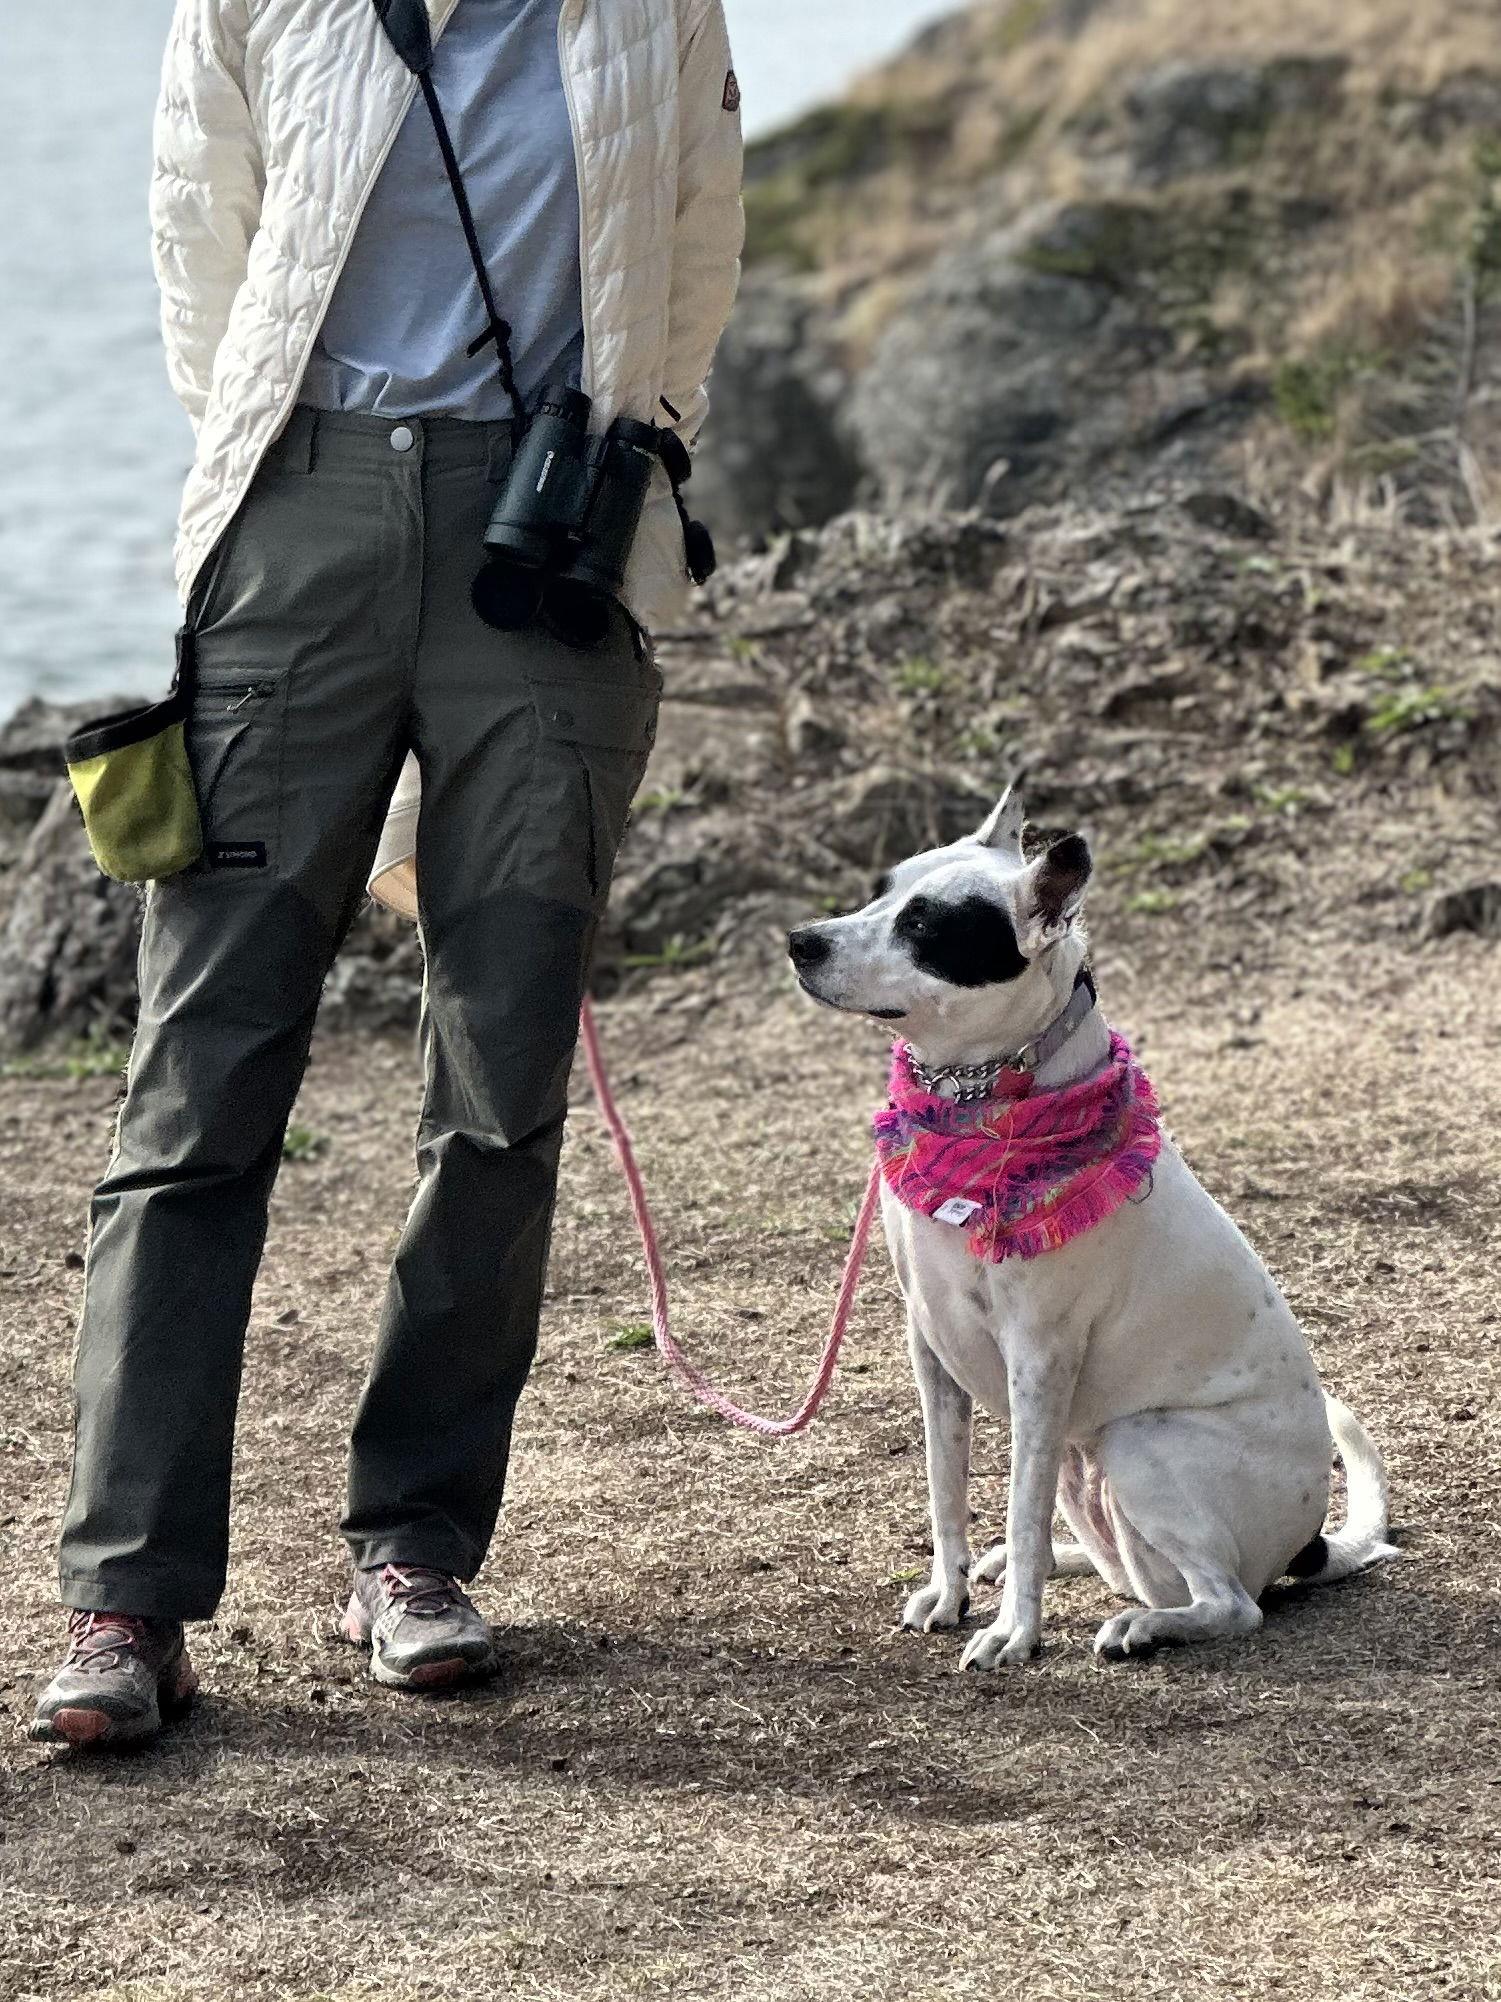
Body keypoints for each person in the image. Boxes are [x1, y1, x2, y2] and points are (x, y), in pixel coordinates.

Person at [32, 0, 743, 1749]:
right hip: (303, 524)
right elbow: (201, 245)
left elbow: (695, 238)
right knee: (199, 1076)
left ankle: (413, 1546)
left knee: (502, 1075)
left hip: (546, 538)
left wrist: (633, 454)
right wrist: (275, 477)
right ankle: (127, 1595)